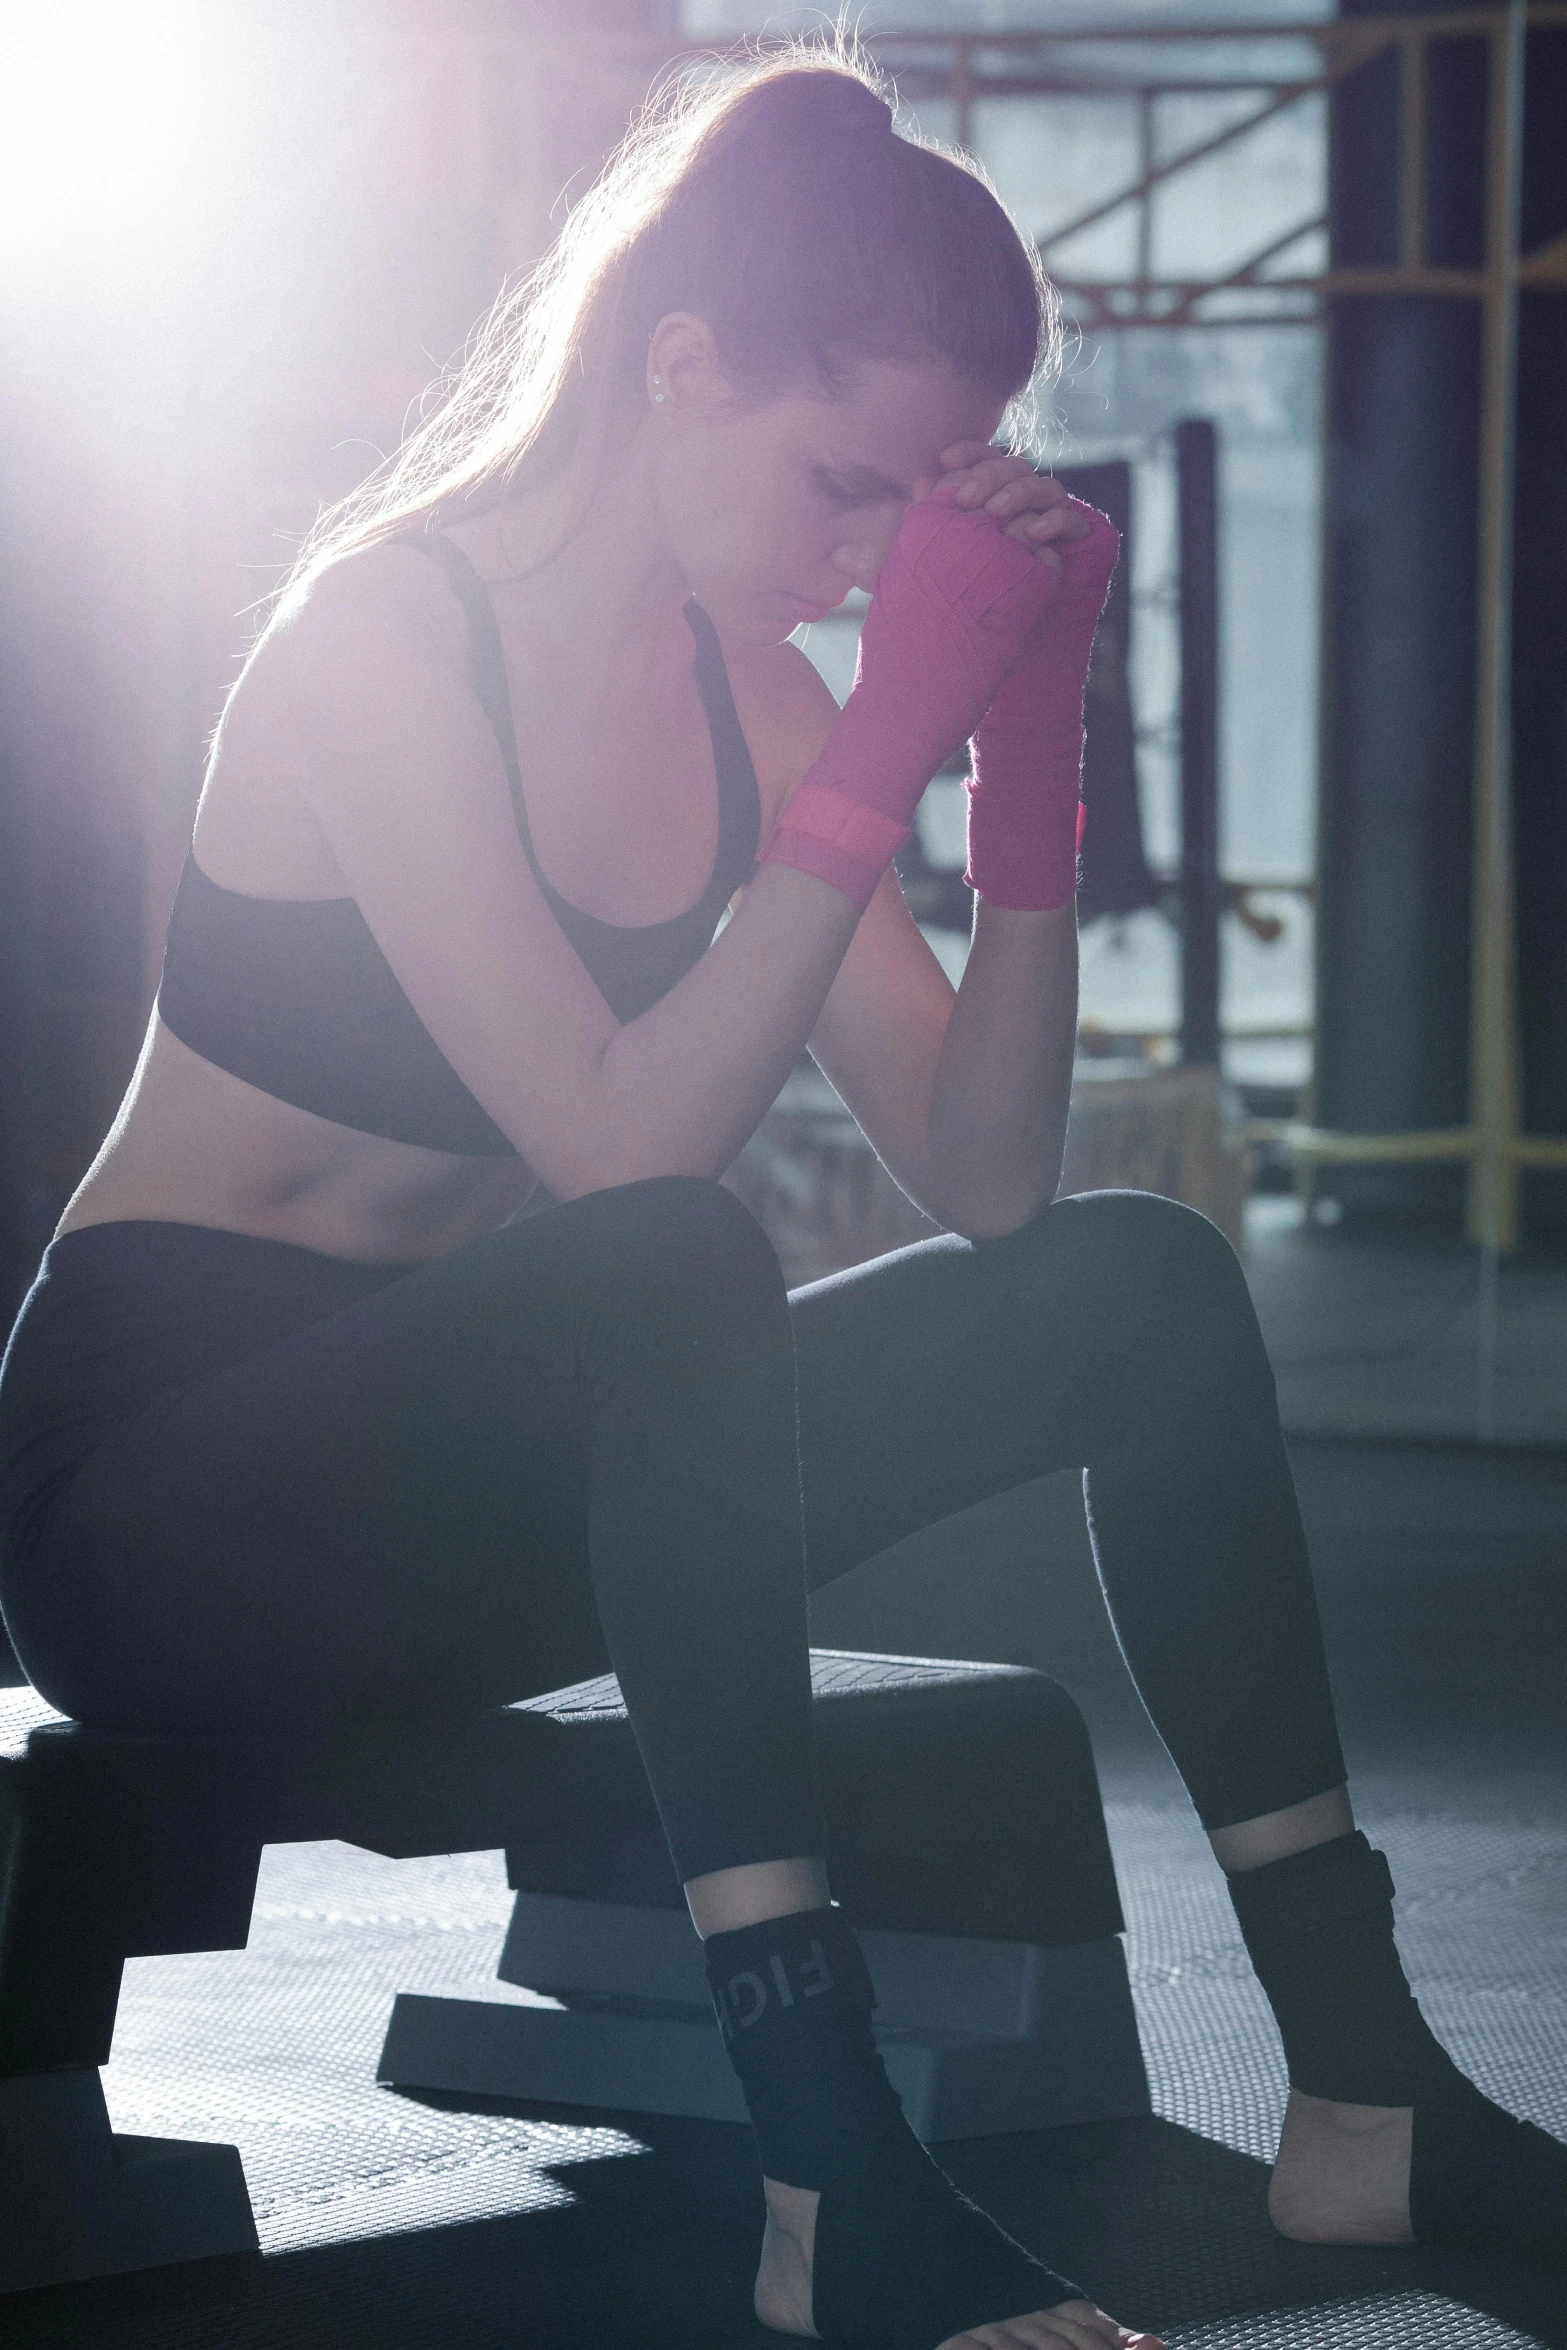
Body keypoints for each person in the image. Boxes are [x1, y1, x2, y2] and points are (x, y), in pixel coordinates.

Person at [0, 41, 1561, 2350]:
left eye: (903, 511)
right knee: (670, 1251)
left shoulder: (752, 697)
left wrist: (1024, 741)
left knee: (1140, 1282)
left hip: (471, 1500)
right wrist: (880, 727)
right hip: (160, 1518)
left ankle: (1362, 2081)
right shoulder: (381, 639)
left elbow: (994, 1173)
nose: (863, 557)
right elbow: (621, 1162)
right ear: (680, 362)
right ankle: (829, 2154)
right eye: (840, 488)